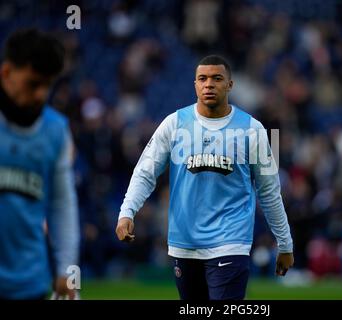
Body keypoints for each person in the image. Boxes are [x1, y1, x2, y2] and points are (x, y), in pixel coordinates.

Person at [116, 55, 294, 300]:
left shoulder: (254, 130)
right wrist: (127, 212)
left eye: (216, 78)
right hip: (184, 244)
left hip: (231, 243)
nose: (209, 84)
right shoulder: (174, 123)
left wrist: (285, 243)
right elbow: (145, 172)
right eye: (203, 78)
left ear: (230, 85)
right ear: (195, 85)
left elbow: (270, 191)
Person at [0, 28, 79, 299]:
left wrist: (65, 269)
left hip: (29, 283)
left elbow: (62, 205)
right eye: (33, 84)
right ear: (7, 73)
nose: (41, 94)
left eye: (48, 85)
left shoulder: (56, 130)